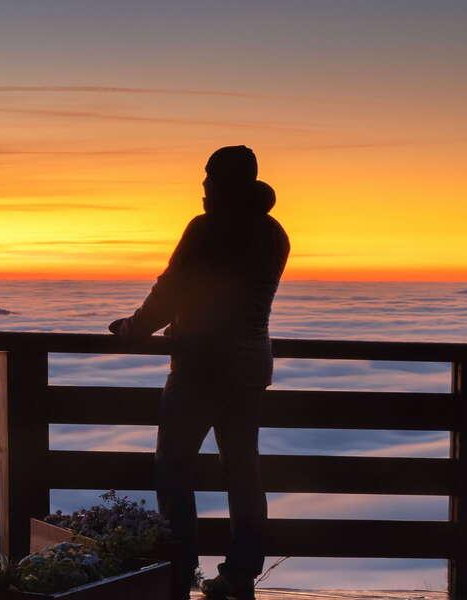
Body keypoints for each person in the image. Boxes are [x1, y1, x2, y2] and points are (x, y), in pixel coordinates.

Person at [108, 145, 289, 600]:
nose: (203, 185)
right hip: (249, 369)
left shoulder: (207, 229)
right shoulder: (273, 233)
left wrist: (133, 329)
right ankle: (241, 574)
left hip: (199, 366)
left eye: (209, 177)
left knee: (173, 469)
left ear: (224, 182)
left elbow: (172, 288)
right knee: (243, 472)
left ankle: (178, 571)